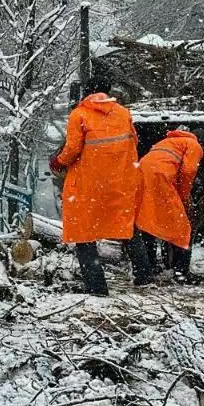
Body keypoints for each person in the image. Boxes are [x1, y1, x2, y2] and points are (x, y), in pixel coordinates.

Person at [50, 75, 140, 296]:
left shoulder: (79, 115)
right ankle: (143, 274)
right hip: (119, 181)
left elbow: (72, 149)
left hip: (88, 185)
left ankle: (96, 286)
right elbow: (133, 142)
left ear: (86, 92)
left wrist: (58, 161)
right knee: (124, 226)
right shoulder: (124, 113)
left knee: (84, 234)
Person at [129, 127, 204, 286]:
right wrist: (183, 197)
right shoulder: (193, 144)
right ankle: (181, 273)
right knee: (182, 228)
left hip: (140, 176)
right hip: (161, 178)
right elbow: (189, 171)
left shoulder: (170, 141)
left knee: (147, 222)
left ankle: (150, 266)